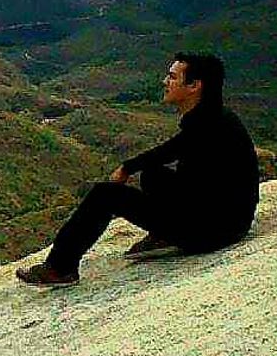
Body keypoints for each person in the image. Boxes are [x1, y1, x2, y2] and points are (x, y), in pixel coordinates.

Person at [17, 52, 259, 287]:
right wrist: (130, 167)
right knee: (153, 173)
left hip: (212, 230)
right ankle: (164, 235)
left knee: (105, 195)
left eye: (173, 77)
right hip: (226, 221)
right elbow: (172, 149)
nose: (166, 81)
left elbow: (176, 151)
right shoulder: (214, 118)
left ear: (194, 85)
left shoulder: (207, 125)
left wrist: (127, 172)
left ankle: (60, 268)